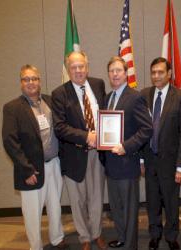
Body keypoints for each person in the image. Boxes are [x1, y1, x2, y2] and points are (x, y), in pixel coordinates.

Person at [2, 65, 66, 250]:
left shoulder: (50, 101)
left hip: (54, 163)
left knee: (55, 205)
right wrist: (26, 169)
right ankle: (36, 246)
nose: (31, 83)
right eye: (26, 79)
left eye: (34, 78)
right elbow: (10, 142)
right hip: (32, 169)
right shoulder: (12, 108)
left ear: (40, 80)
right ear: (21, 83)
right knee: (32, 212)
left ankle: (57, 238)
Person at [51, 51, 107, 250]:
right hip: (74, 155)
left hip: (97, 155)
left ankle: (97, 233)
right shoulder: (59, 94)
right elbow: (60, 127)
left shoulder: (99, 84)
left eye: (81, 66)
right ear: (68, 69)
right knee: (77, 200)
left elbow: (106, 115)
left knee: (96, 198)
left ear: (87, 66)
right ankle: (84, 237)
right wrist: (86, 137)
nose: (78, 70)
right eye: (73, 67)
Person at [141, 57, 181, 250]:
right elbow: (141, 130)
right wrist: (142, 160)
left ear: (169, 74)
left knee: (171, 201)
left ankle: (171, 236)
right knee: (152, 200)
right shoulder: (144, 95)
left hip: (171, 162)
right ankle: (154, 234)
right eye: (153, 72)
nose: (156, 76)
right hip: (150, 159)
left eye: (160, 72)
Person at [104, 56, 153, 250]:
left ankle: (130, 245)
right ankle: (122, 238)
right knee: (116, 208)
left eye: (119, 70)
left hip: (127, 163)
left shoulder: (135, 96)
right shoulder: (108, 98)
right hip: (110, 164)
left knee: (129, 210)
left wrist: (126, 146)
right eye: (111, 71)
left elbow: (147, 129)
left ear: (126, 73)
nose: (115, 74)